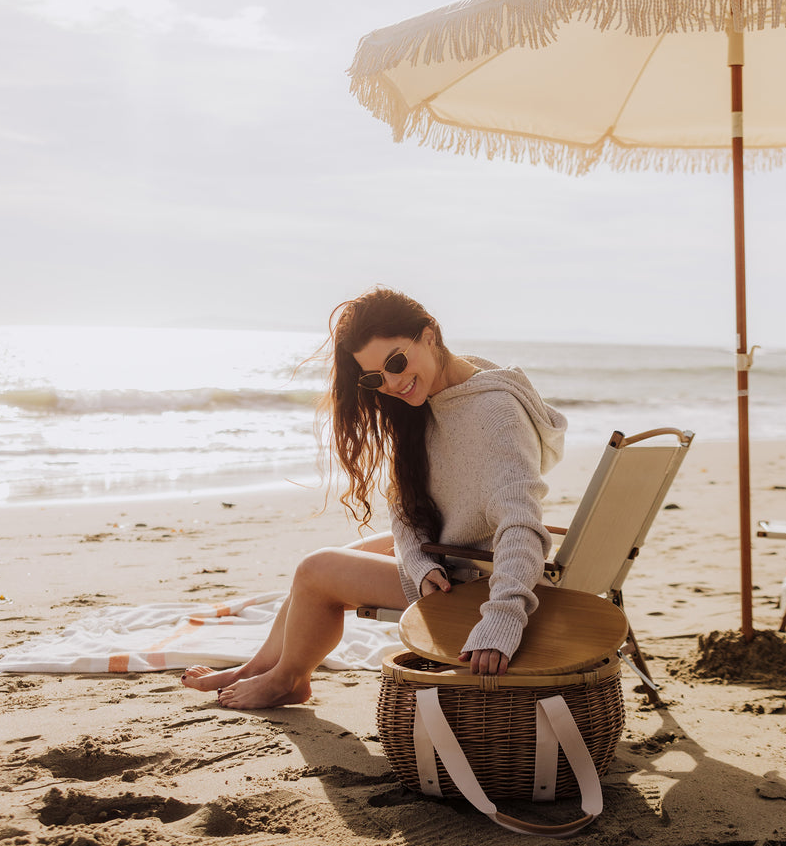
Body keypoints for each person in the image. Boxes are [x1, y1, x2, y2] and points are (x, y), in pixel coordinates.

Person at [180, 287, 567, 709]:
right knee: (342, 557)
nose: (392, 383)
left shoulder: (495, 412)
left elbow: (522, 525)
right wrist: (418, 564)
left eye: (396, 362)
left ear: (430, 336)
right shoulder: (434, 397)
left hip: (480, 580)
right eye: (374, 377)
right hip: (450, 560)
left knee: (316, 570)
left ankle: (287, 679)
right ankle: (257, 668)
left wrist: (503, 619)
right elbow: (404, 504)